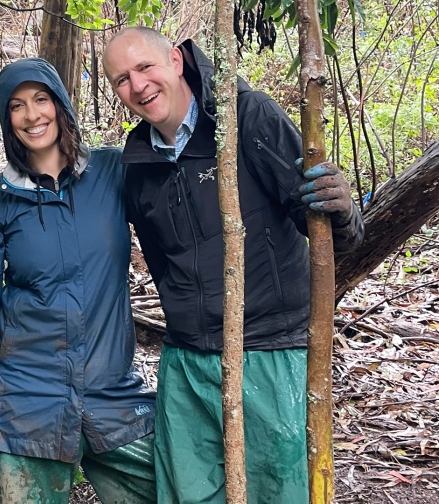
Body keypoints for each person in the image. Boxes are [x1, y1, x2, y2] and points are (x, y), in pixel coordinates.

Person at [102, 27, 365, 503]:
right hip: (187, 358)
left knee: (280, 492)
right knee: (187, 493)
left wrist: (343, 209)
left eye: (145, 67)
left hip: (269, 352)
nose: (137, 86)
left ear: (177, 61)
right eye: (122, 79)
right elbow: (159, 265)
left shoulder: (248, 116)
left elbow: (330, 237)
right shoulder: (136, 166)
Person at [0, 58, 157, 504]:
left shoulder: (112, 172)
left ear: (61, 104)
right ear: (7, 119)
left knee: (182, 486)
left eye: (41, 99)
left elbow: (184, 213)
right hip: (27, 401)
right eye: (17, 106)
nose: (32, 115)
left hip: (112, 394)